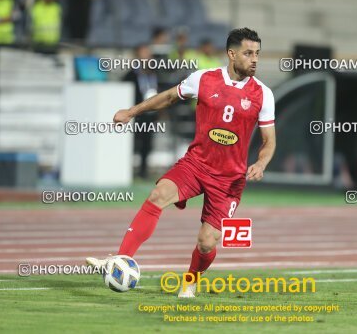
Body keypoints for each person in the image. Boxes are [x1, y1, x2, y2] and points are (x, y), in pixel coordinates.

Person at [86, 28, 276, 298]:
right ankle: (120, 259)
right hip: (196, 165)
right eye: (248, 53)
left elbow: (269, 140)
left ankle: (190, 281)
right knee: (158, 194)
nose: (254, 59)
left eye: (257, 53)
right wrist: (132, 111)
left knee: (207, 242)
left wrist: (262, 162)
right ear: (231, 54)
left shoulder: (263, 95)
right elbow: (169, 97)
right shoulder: (204, 79)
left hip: (229, 180)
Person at [122, 44, 160, 179]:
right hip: (136, 113)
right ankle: (126, 170)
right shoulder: (131, 75)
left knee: (147, 143)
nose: (147, 57)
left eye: (148, 54)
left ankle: (143, 171)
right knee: (132, 142)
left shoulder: (155, 73)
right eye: (143, 54)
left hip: (150, 114)